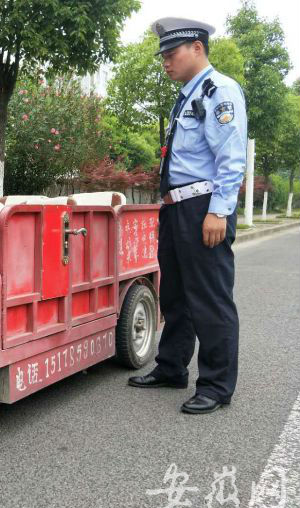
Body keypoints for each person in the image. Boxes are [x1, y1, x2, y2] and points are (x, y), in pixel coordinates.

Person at [128, 18, 247, 414]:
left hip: (203, 207)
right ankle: (172, 367)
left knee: (209, 298)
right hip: (177, 207)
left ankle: (215, 385)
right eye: (162, 54)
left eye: (171, 53)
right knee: (175, 294)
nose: (165, 61)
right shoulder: (186, 95)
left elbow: (231, 159)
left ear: (197, 47)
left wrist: (218, 211)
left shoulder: (220, 91)